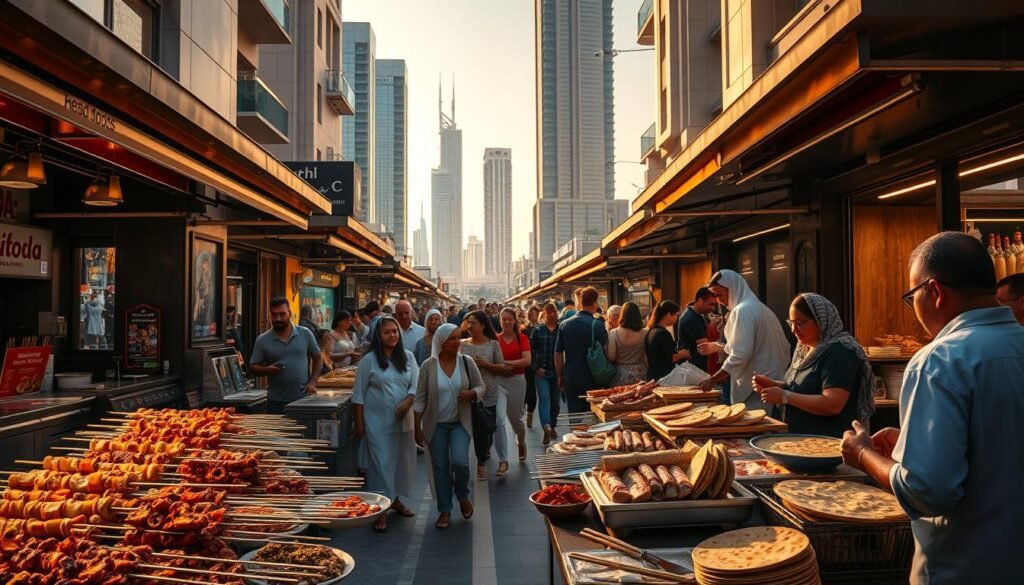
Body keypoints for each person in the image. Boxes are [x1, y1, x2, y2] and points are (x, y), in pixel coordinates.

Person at [840, 232, 1024, 583]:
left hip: (963, 568)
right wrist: (911, 442)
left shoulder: (939, 360)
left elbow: (928, 491)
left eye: (912, 296)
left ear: (935, 292)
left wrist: (863, 454)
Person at [752, 293, 875, 437]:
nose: (793, 330)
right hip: (801, 442)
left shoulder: (839, 352)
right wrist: (776, 386)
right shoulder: (805, 349)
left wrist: (785, 396)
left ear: (820, 320)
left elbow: (832, 404)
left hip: (828, 445)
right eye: (791, 323)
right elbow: (807, 388)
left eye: (799, 323)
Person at [352, 316, 419, 532]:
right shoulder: (368, 361)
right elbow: (358, 395)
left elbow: (416, 384)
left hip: (402, 421)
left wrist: (408, 400)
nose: (392, 335)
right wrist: (359, 424)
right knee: (381, 466)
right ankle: (380, 510)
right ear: (378, 337)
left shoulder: (408, 357)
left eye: (395, 331)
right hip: (376, 422)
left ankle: (395, 500)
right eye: (387, 332)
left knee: (401, 462)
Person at [414, 323, 483, 529]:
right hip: (436, 425)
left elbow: (481, 386)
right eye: (452, 338)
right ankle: (445, 509)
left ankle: (462, 495)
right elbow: (420, 397)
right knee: (441, 468)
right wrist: (417, 426)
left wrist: (472, 394)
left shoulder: (466, 362)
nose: (457, 342)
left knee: (460, 463)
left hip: (460, 423)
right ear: (441, 342)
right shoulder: (428, 366)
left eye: (459, 337)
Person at [698, 270, 790, 408]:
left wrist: (713, 379)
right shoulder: (759, 308)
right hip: (773, 383)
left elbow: (739, 355)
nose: (718, 301)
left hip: (757, 389)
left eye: (719, 295)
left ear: (733, 288)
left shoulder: (742, 311)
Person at [249, 297, 322, 414]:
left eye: (282, 314)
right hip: (275, 402)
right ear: (270, 315)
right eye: (274, 315)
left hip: (303, 398)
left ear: (290, 314)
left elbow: (318, 357)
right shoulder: (262, 340)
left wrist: (313, 382)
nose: (278, 318)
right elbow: (253, 367)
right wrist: (267, 370)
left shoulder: (305, 333)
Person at [461, 310, 509, 480]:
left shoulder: (493, 345)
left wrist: (485, 364)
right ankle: (479, 462)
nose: (469, 326)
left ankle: (485, 457)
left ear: (482, 325)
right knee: (475, 429)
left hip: (490, 392)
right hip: (469, 394)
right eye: (468, 322)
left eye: (473, 322)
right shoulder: (462, 345)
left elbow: (502, 368)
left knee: (487, 427)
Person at [554, 286, 607, 413]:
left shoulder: (564, 324)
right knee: (594, 415)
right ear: (595, 302)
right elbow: (606, 351)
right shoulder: (598, 325)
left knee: (575, 418)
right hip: (594, 377)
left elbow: (558, 353)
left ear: (580, 302)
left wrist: (560, 375)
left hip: (571, 376)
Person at [497, 307, 531, 464]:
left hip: (517, 380)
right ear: (500, 321)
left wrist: (506, 364)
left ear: (515, 320)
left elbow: (527, 360)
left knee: (516, 418)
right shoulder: (496, 339)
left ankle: (521, 441)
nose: (507, 321)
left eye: (510, 319)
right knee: (499, 418)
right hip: (499, 381)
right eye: (504, 319)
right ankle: (503, 458)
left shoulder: (522, 338)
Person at [531, 302, 561, 444]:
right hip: (541, 372)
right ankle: (547, 427)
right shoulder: (538, 331)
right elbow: (531, 351)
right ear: (544, 314)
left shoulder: (561, 329)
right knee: (544, 399)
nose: (552, 314)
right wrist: (536, 368)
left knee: (555, 402)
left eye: (554, 311)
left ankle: (552, 425)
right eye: (549, 312)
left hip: (557, 372)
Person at [645, 301, 690, 380]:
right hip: (664, 376)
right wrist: (684, 354)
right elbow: (672, 357)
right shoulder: (663, 333)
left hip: (653, 374)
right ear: (669, 314)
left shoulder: (651, 331)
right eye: (676, 315)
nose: (677, 318)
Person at [676, 288, 718, 372]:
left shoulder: (698, 315)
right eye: (710, 304)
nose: (713, 308)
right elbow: (705, 345)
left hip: (695, 367)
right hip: (693, 368)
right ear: (700, 300)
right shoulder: (691, 318)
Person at [608, 302, 647, 385]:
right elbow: (646, 357)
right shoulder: (645, 333)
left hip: (620, 374)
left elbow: (611, 357)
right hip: (640, 373)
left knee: (620, 396)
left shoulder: (614, 333)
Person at [523, 306, 541, 428]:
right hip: (529, 363)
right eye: (531, 313)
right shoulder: (524, 329)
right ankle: (528, 413)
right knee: (529, 389)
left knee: (536, 390)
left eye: (535, 313)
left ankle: (530, 412)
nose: (532, 315)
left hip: (540, 362)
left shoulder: (542, 328)